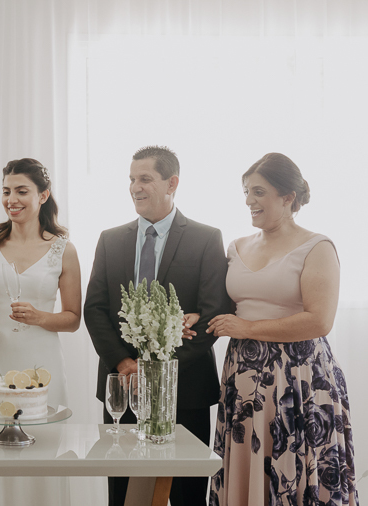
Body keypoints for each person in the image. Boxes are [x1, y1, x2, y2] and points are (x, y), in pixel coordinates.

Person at [84, 145, 233, 506]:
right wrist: (124, 364)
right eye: (132, 179)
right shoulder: (110, 239)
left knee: (186, 495)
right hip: (124, 387)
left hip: (186, 389)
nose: (135, 187)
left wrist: (160, 371)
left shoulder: (206, 238)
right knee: (123, 493)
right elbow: (95, 309)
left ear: (172, 183)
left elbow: (214, 312)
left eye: (145, 179)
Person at [207, 153, 358, 505]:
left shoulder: (316, 247)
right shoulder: (237, 246)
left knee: (294, 471)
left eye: (258, 191)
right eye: (246, 191)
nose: (249, 200)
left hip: (298, 379)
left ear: (288, 196)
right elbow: (227, 307)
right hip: (243, 381)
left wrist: (247, 327)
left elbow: (319, 320)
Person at [0, 158, 82, 505]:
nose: (11, 199)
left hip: (42, 363)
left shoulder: (64, 249)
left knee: (42, 450)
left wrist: (40, 317)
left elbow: (73, 318)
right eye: (6, 191)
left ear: (43, 195)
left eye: (21, 191)